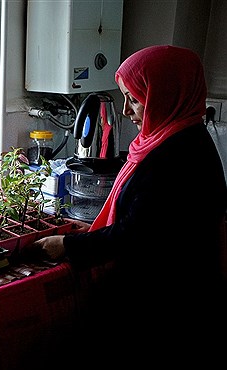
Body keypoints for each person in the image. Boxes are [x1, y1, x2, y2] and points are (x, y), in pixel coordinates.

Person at [30, 45, 227, 366]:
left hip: (167, 309)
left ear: (167, 95)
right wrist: (93, 231)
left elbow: (136, 235)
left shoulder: (176, 157)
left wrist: (67, 244)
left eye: (134, 99)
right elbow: (149, 220)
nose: (125, 110)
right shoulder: (175, 137)